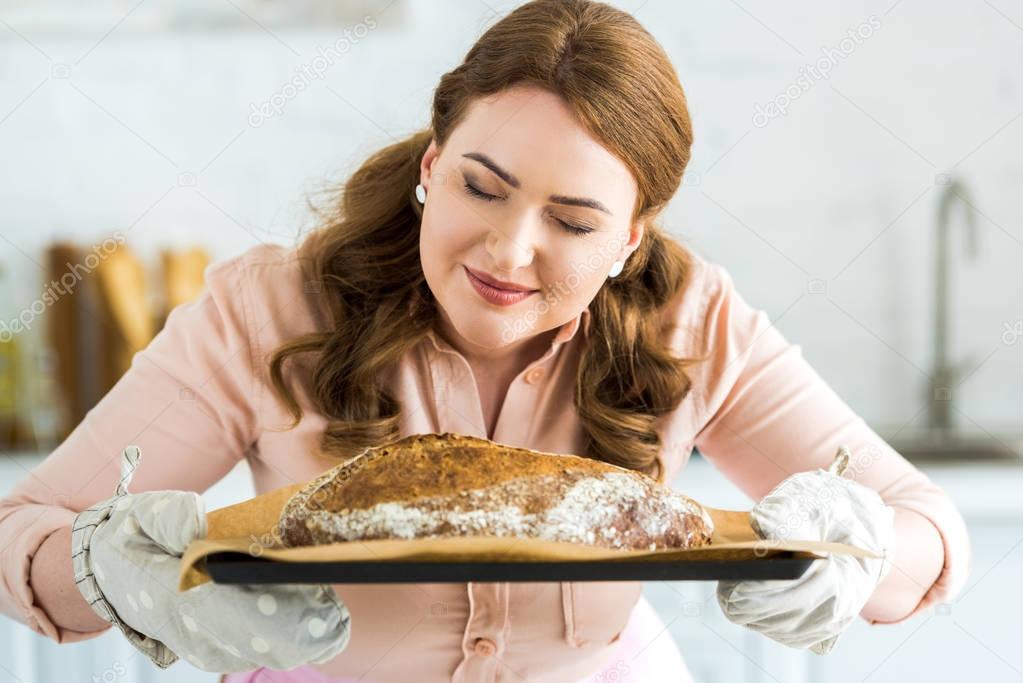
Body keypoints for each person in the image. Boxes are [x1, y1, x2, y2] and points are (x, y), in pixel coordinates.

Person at [0, 1, 970, 681]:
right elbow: (24, 531)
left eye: (574, 220)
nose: (509, 249)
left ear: (631, 236)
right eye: (481, 186)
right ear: (433, 162)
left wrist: (859, 556)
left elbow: (930, 528)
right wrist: (118, 571)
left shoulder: (694, 319)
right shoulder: (268, 308)